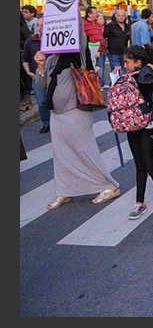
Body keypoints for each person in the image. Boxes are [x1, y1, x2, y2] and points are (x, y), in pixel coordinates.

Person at [33, 29, 121, 210]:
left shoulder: (77, 56)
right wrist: (40, 66)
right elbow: (41, 85)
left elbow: (80, 37)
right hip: (57, 114)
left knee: (84, 151)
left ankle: (108, 186)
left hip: (76, 112)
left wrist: (73, 18)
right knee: (61, 154)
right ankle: (65, 190)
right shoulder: (50, 60)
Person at [120, 44, 153, 220]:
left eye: (127, 62)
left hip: (145, 126)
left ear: (138, 62)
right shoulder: (135, 74)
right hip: (132, 125)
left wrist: (143, 70)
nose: (125, 65)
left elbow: (145, 84)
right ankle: (139, 201)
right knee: (139, 165)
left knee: (150, 164)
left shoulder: (147, 75)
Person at [22, 17, 50, 133]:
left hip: (52, 76)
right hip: (37, 76)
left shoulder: (53, 40)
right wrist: (28, 72)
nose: (40, 27)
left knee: (55, 101)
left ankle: (55, 123)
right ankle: (46, 123)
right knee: (42, 102)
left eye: (42, 25)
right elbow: (25, 58)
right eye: (38, 25)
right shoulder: (30, 41)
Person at [82, 6, 108, 88]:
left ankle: (98, 85)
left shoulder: (96, 24)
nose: (96, 15)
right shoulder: (83, 24)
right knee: (91, 70)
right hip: (90, 52)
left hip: (99, 51)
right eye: (95, 13)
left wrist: (100, 50)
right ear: (89, 14)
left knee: (99, 69)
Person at [103, 8, 131, 76]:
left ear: (125, 17)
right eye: (119, 16)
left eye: (123, 16)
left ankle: (123, 83)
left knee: (124, 72)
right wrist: (105, 47)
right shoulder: (110, 26)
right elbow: (104, 36)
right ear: (115, 16)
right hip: (113, 52)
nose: (121, 17)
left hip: (124, 52)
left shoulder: (127, 26)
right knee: (116, 72)